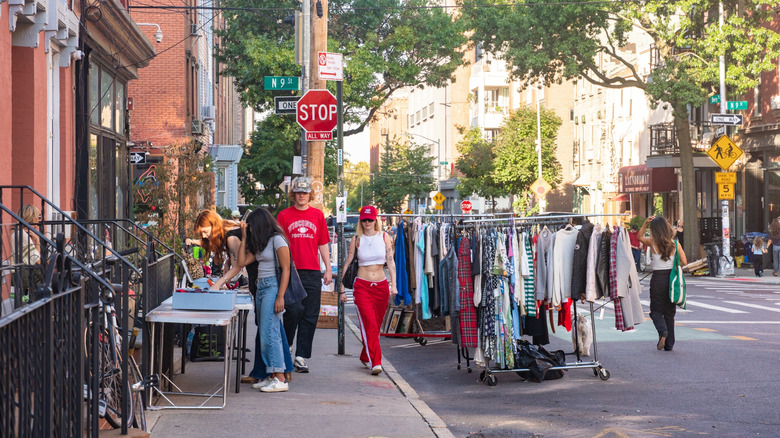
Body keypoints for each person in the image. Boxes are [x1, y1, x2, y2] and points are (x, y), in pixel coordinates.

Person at [276, 177, 332, 373]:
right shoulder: (283, 215)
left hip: (313, 270)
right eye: (298, 192)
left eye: (305, 192)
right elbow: (278, 242)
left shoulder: (318, 215)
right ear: (293, 194)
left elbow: (323, 243)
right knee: (293, 310)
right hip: (291, 270)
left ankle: (301, 356)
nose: (301, 195)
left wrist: (328, 268)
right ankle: (287, 345)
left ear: (310, 194)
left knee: (310, 314)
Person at [236, 208, 292, 392]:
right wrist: (244, 238)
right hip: (261, 288)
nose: (250, 229)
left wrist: (280, 296)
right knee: (265, 333)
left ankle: (280, 378)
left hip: (273, 287)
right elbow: (242, 262)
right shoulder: (262, 243)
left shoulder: (278, 240)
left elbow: (286, 269)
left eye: (251, 226)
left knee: (270, 332)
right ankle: (272, 375)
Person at [340, 206, 398, 375]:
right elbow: (348, 261)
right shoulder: (356, 239)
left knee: (375, 326)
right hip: (362, 286)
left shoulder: (385, 237)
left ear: (375, 220)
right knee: (370, 325)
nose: (367, 223)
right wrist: (342, 288)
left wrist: (393, 284)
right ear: (360, 221)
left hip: (381, 286)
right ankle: (376, 362)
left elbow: (390, 260)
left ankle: (366, 355)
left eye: (370, 220)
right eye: (364, 220)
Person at [638, 216, 687, 352]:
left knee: (655, 311)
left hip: (658, 279)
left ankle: (662, 331)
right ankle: (669, 344)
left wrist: (645, 223)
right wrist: (673, 264)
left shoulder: (653, 243)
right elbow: (684, 262)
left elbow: (639, 237)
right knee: (669, 313)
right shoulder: (676, 244)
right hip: (671, 279)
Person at [11, 205, 43, 303]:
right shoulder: (23, 235)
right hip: (20, 274)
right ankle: (38, 307)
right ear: (33, 218)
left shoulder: (19, 232)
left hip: (19, 272)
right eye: (39, 216)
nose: (40, 220)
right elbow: (37, 260)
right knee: (44, 272)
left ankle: (37, 306)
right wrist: (37, 241)